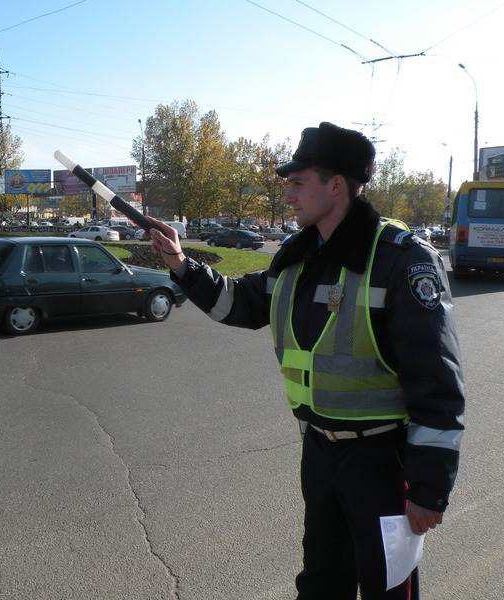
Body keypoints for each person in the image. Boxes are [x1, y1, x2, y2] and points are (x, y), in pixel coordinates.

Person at [145, 122, 465, 599]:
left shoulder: (401, 260)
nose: (288, 195)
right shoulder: (297, 258)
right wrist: (180, 263)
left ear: (336, 185)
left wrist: (428, 488)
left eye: (297, 182)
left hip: (383, 460)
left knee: (389, 589)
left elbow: (436, 381)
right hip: (320, 454)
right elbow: (238, 303)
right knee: (321, 582)